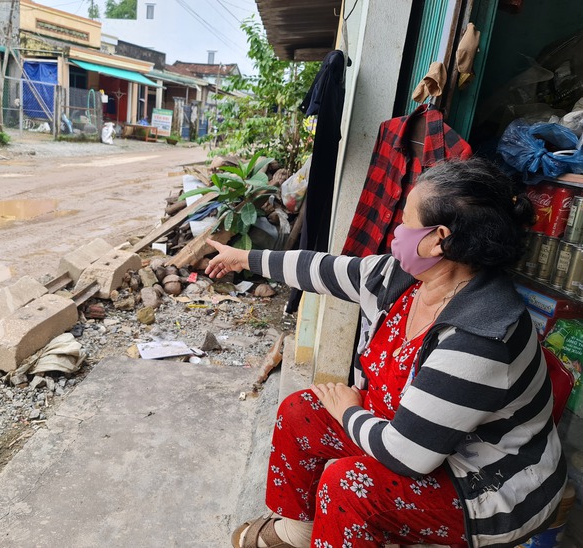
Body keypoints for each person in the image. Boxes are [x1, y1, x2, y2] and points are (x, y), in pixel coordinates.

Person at [205, 158, 567, 548]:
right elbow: (325, 269)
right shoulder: (402, 276)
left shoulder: (481, 337)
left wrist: (348, 412)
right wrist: (245, 258)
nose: (397, 231)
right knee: (299, 412)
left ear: (437, 239)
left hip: (483, 485)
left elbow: (409, 456)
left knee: (346, 486)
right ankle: (300, 532)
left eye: (406, 221)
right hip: (407, 431)